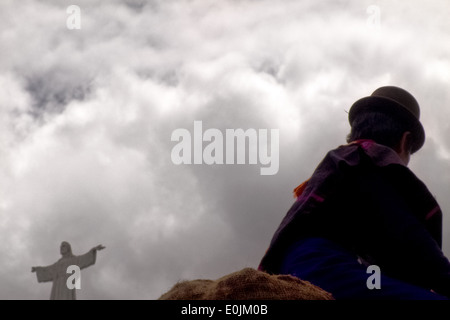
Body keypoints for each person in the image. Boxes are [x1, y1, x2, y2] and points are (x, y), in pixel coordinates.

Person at [258, 86, 450, 299]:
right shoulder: (370, 164)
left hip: (313, 263)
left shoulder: (345, 163)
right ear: (405, 141)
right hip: (322, 267)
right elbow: (410, 237)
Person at [32, 241, 105, 300]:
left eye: (63, 246)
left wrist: (93, 250)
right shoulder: (58, 263)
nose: (61, 247)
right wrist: (38, 269)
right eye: (60, 246)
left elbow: (83, 258)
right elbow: (48, 269)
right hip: (57, 285)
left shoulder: (73, 260)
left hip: (67, 284)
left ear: (68, 248)